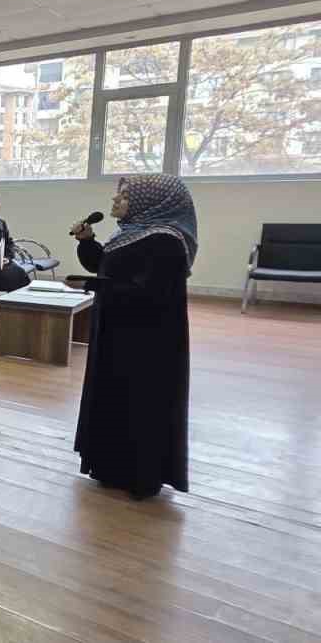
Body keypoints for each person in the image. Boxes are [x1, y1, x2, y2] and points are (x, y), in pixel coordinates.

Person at [69, 174, 195, 500]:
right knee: (113, 396)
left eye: (123, 196)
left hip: (145, 341)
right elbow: (104, 267)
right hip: (117, 330)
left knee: (138, 401)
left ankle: (139, 474)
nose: (115, 200)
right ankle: (110, 466)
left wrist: (91, 286)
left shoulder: (166, 241)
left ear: (149, 202)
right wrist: (87, 241)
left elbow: (149, 294)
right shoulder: (131, 232)